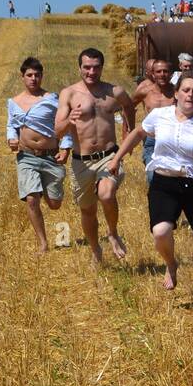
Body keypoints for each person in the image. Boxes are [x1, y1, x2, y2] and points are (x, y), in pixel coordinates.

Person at [107, 72, 193, 293]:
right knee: (160, 231)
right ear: (176, 93)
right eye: (186, 90)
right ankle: (171, 264)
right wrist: (117, 157)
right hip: (163, 183)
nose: (190, 95)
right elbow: (139, 133)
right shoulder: (159, 115)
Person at [54, 47, 136, 266]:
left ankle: (112, 233)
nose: (91, 72)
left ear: (102, 67)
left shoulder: (114, 92)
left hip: (109, 156)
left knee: (107, 194)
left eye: (96, 67)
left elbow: (129, 106)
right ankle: (95, 250)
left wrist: (128, 132)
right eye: (87, 67)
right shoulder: (69, 94)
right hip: (82, 162)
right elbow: (57, 130)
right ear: (80, 67)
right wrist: (69, 119)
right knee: (88, 211)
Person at [7, 57, 72, 253]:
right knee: (31, 199)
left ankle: (43, 187)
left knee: (54, 204)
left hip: (50, 156)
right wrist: (11, 138)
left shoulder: (52, 99)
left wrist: (65, 148)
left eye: (37, 75)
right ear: (22, 77)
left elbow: (65, 126)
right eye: (29, 75)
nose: (33, 79)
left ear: (42, 76)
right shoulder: (14, 102)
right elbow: (11, 124)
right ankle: (43, 243)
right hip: (27, 156)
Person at [132, 58, 177, 185]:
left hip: (173, 140)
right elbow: (128, 107)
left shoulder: (178, 92)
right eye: (158, 71)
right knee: (153, 178)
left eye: (165, 71)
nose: (162, 74)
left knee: (175, 178)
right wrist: (128, 130)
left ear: (171, 74)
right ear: (152, 74)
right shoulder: (145, 92)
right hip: (152, 139)